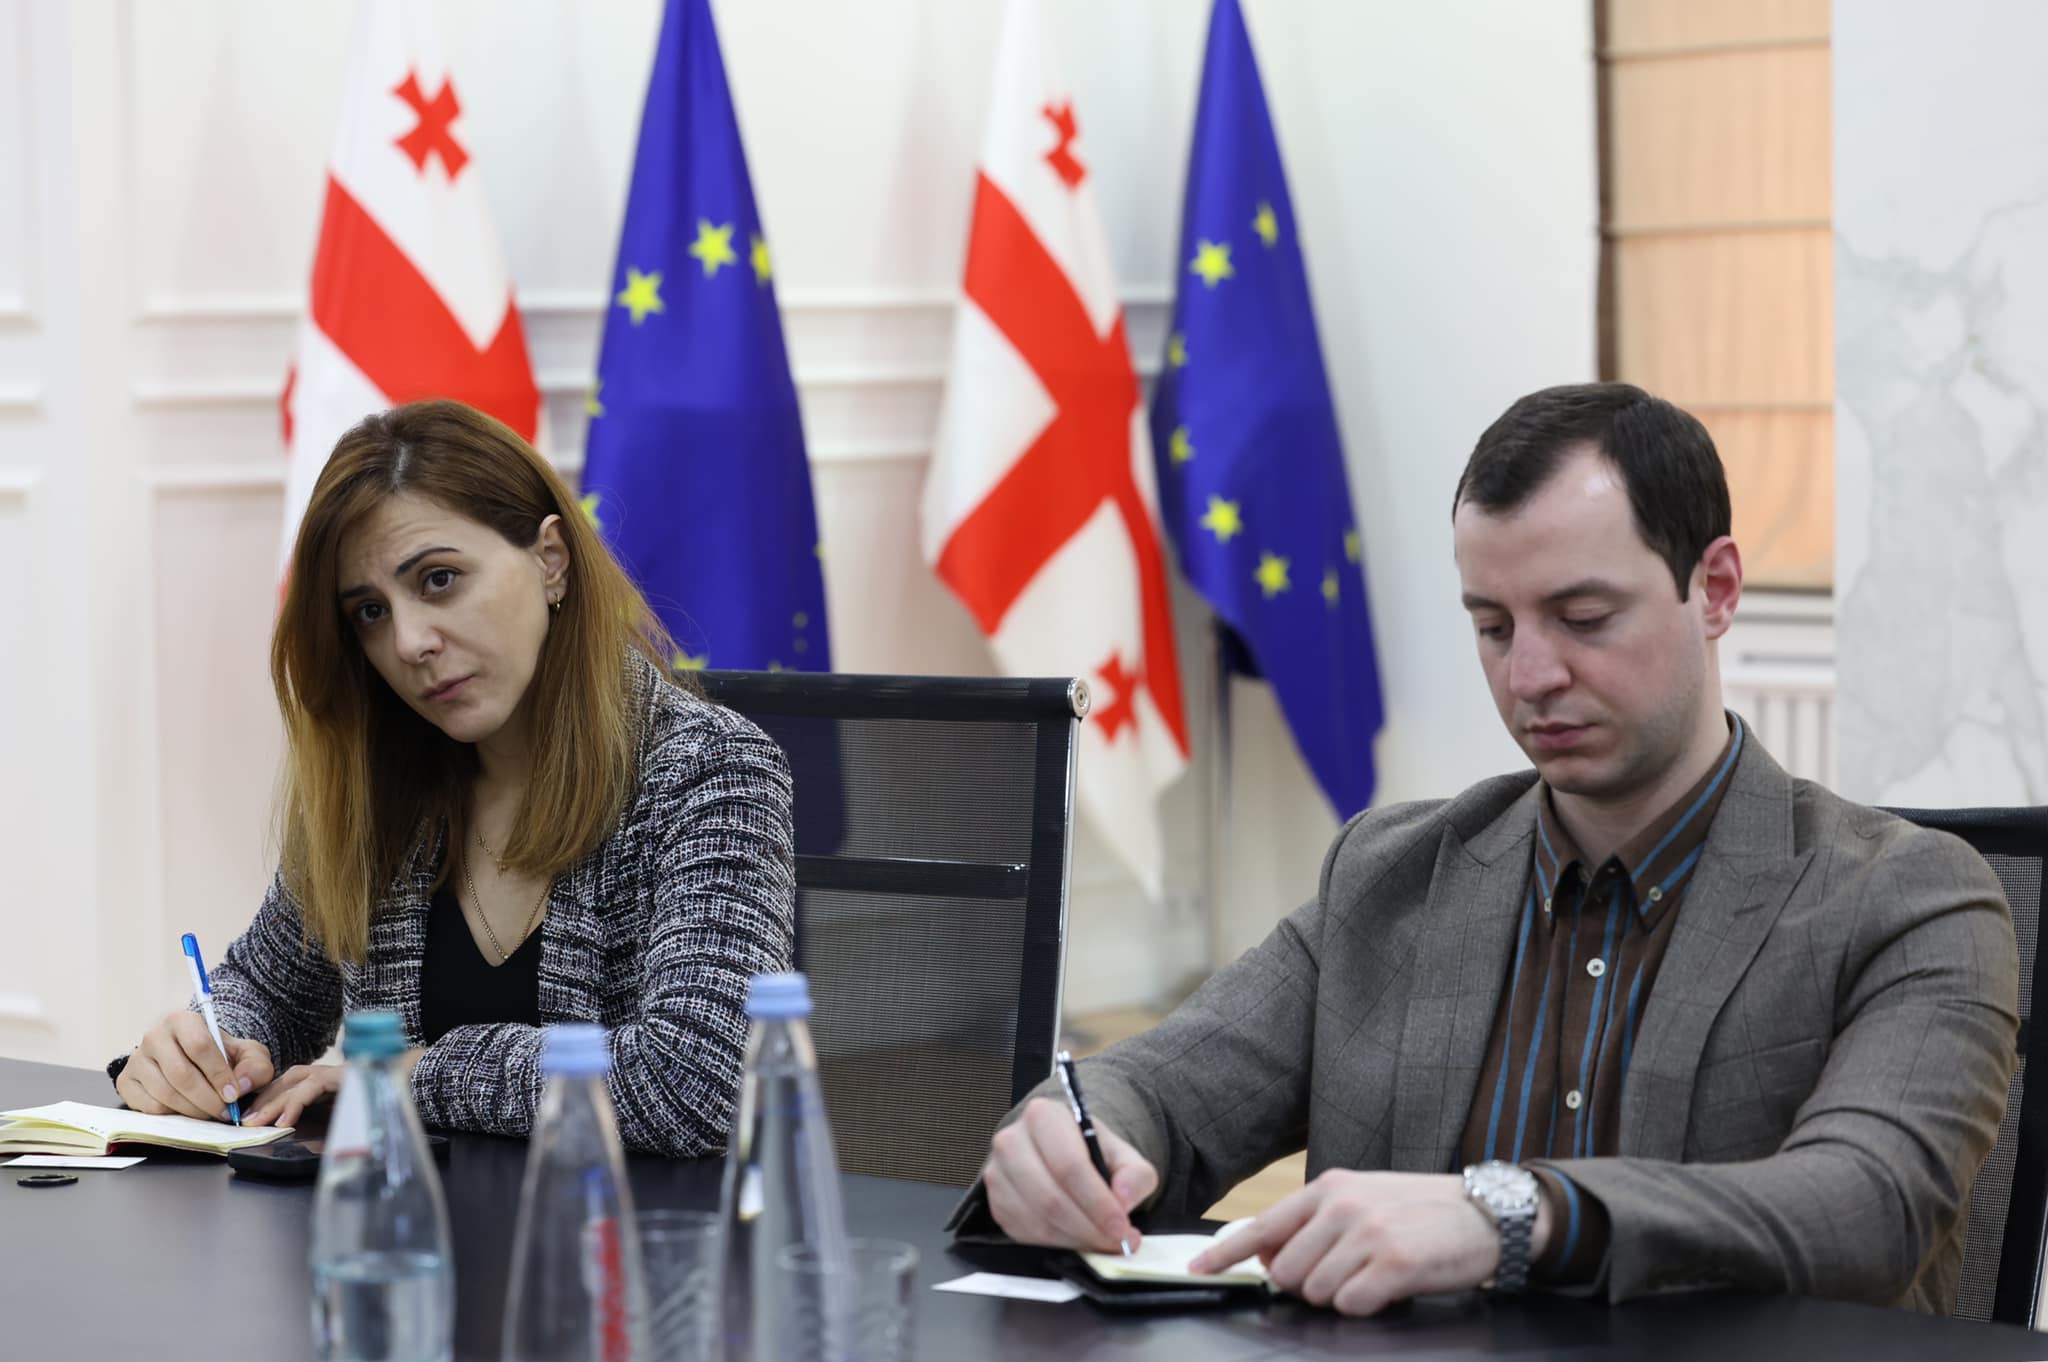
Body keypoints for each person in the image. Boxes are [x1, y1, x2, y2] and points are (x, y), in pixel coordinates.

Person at [965, 382, 2019, 1314]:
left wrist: (1512, 1215)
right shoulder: (1389, 874)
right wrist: (1074, 1136)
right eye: (1493, 626)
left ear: (1716, 589)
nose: (1529, 677)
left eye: (1583, 616)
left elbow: (1868, 1207)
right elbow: (1161, 1089)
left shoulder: (1912, 899)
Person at [109, 399, 796, 1156]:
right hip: (403, 1220)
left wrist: (411, 1073)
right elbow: (271, 991)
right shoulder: (380, 782)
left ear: (550, 559)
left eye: (439, 580)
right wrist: (207, 1051)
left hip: (623, 1226)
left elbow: (698, 1081)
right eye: (370, 612)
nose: (408, 642)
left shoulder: (707, 768)